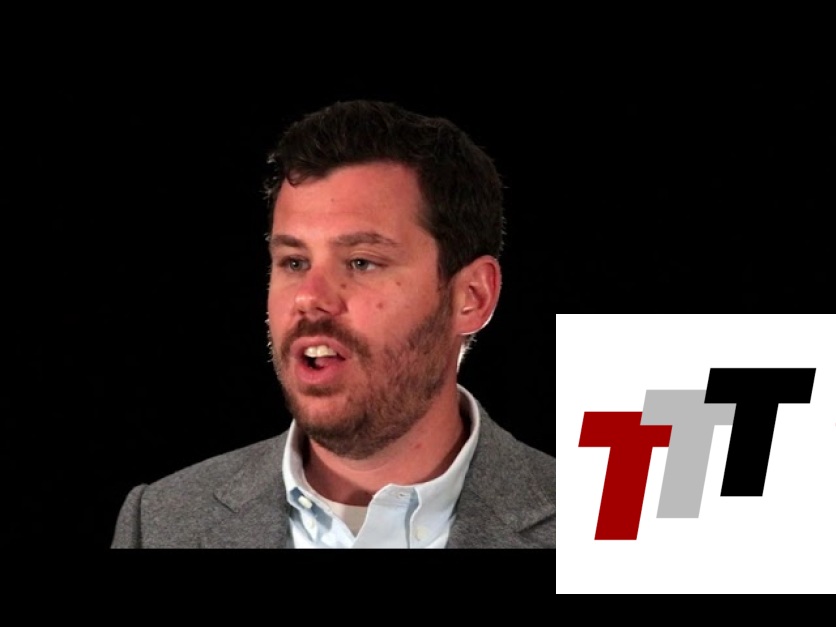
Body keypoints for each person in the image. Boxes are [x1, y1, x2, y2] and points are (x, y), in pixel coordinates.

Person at [110, 99, 555, 549]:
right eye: (294, 261)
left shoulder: (591, 522)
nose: (309, 297)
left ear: (472, 297)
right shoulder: (160, 523)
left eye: (361, 262)